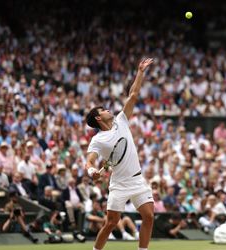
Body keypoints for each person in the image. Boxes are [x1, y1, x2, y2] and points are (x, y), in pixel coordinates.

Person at [85, 58, 154, 250]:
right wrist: (92, 172)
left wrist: (140, 72)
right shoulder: (98, 140)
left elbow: (133, 94)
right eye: (104, 109)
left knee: (149, 216)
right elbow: (89, 161)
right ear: (99, 117)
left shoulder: (121, 120)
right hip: (119, 184)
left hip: (137, 180)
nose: (109, 110)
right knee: (111, 222)